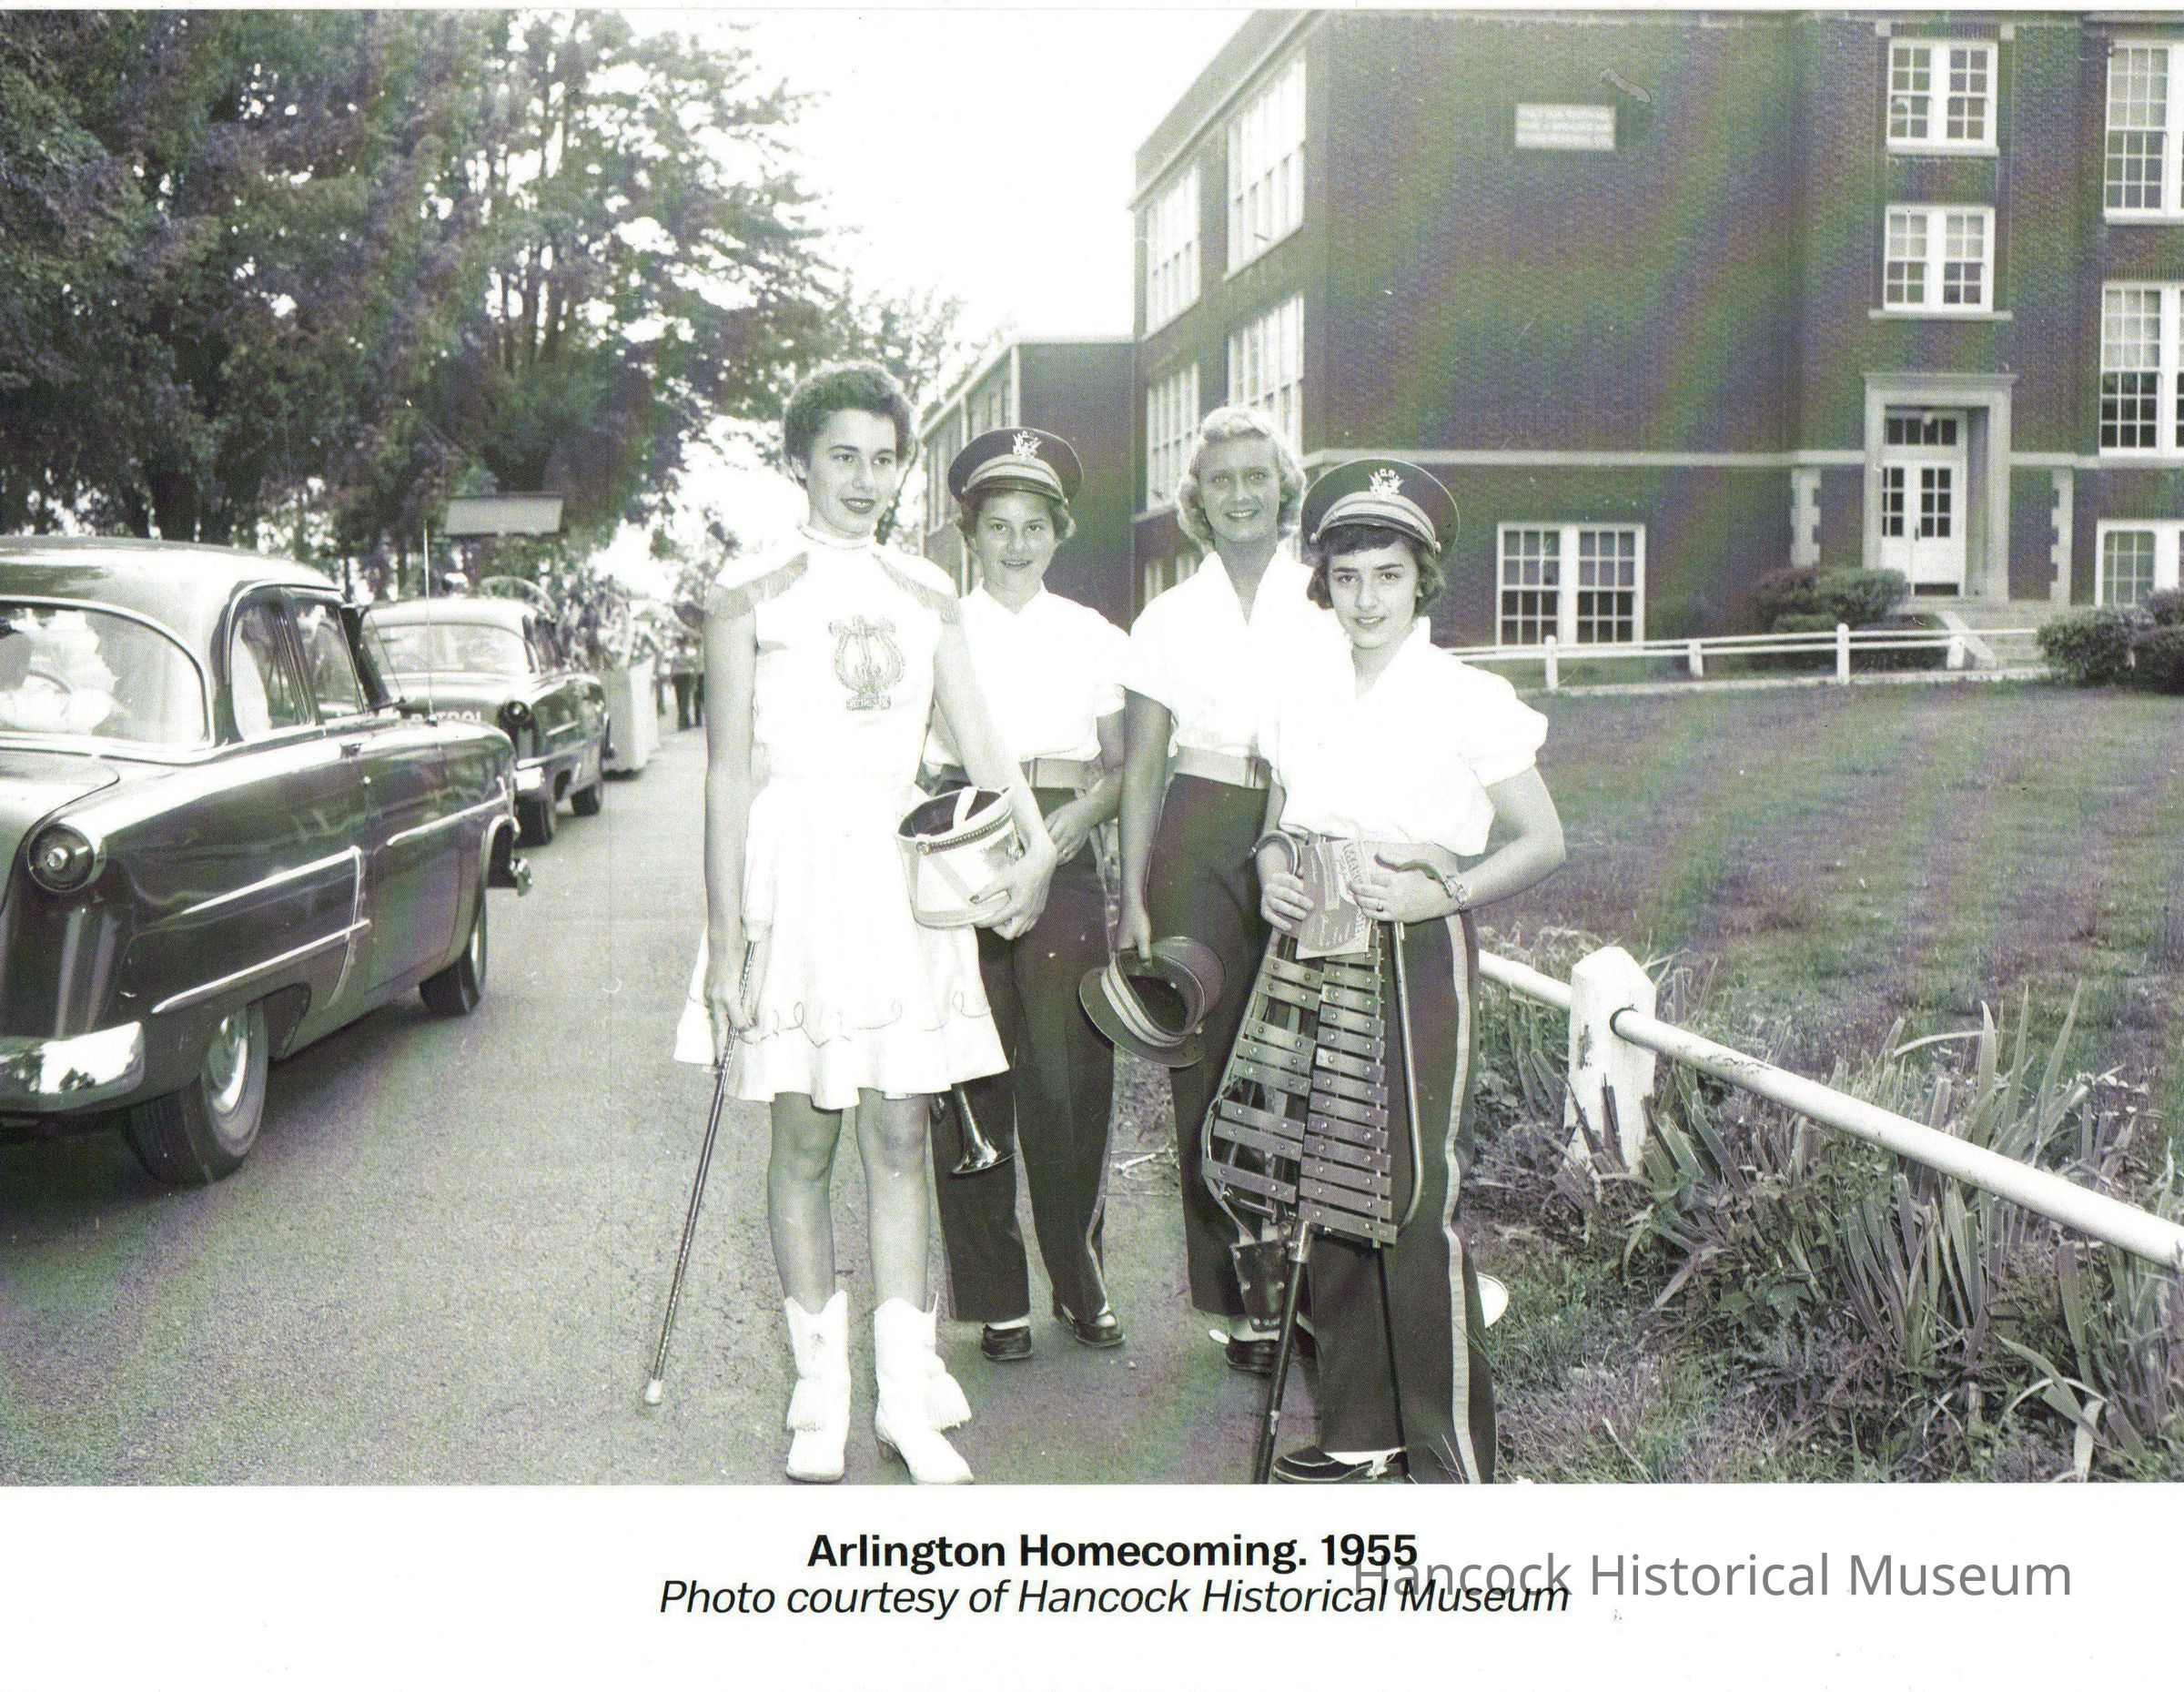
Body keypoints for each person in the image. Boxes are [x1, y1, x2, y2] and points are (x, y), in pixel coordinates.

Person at [672, 361, 1060, 1485]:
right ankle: (821, 1393)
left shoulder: (927, 589)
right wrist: (726, 940)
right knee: (804, 1138)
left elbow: (983, 746)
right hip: (794, 878)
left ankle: (901, 1395)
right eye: (842, 455)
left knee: (900, 1137)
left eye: (884, 459)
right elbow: (726, 773)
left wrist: (1035, 847)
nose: (864, 478)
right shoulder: (748, 590)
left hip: (898, 882)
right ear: (800, 460)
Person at [1252, 457, 1566, 1483]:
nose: (1366, 599)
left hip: (1416, 942)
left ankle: (1448, 1453)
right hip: (1319, 932)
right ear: (1324, 583)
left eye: (1388, 575)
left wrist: (1447, 894)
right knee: (1331, 1178)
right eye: (1346, 577)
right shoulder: (1303, 689)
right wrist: (1271, 872)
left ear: (1421, 578)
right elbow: (1281, 822)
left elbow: (1544, 839)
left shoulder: (1466, 696)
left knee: (1414, 1191)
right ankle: (1358, 1425)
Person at [1114, 404, 1333, 1374]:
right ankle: (1243, 1303)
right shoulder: (1167, 617)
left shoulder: (1326, 601)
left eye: (1257, 476)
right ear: (1195, 498)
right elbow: (1142, 766)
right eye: (1221, 480)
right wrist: (1133, 893)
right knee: (1206, 1068)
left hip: (1305, 821)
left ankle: (1309, 1289)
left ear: (1284, 488)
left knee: (1299, 1059)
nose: (1241, 494)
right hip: (1198, 829)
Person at [922, 427, 1130, 1363]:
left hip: (1064, 841)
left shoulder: (1092, 633)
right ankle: (995, 1296)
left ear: (1058, 533)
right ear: (970, 533)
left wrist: (1065, 833)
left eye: (1034, 526)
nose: (1016, 544)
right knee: (970, 1074)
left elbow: (1120, 767)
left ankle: (1080, 1280)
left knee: (1069, 1076)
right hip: (964, 840)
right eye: (998, 525)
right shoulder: (939, 629)